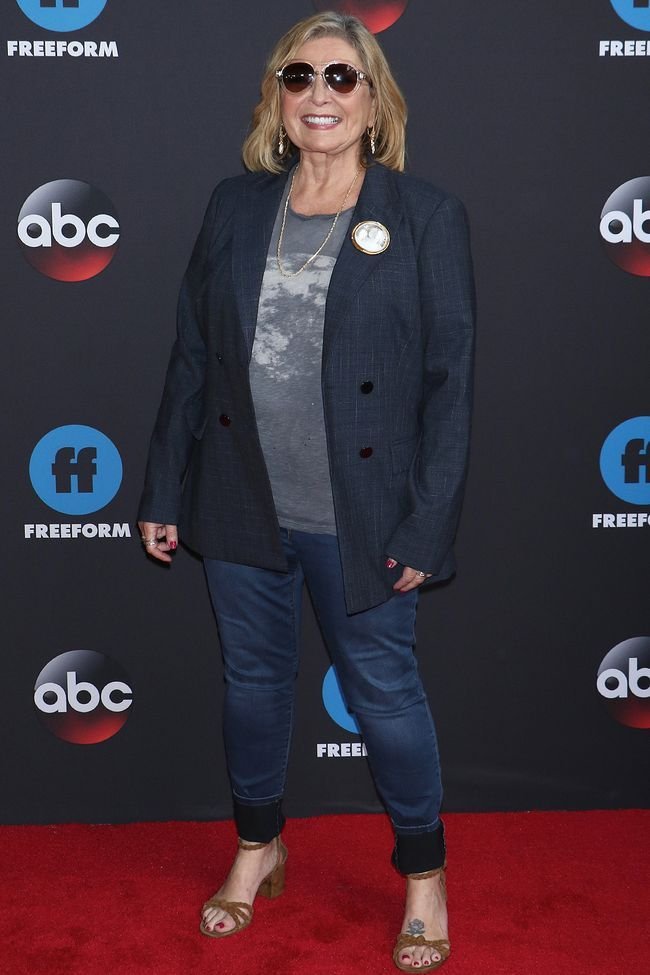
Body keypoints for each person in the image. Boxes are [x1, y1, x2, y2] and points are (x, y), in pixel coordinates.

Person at [138, 11, 475, 972]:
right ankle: (258, 846)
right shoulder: (235, 206)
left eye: (340, 76)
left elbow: (451, 384)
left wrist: (428, 523)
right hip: (241, 499)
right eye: (298, 77)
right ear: (276, 99)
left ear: (374, 99)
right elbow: (193, 357)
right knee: (252, 687)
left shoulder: (425, 216)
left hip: (362, 515)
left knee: (387, 697)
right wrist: (164, 486)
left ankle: (423, 875)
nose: (318, 94)